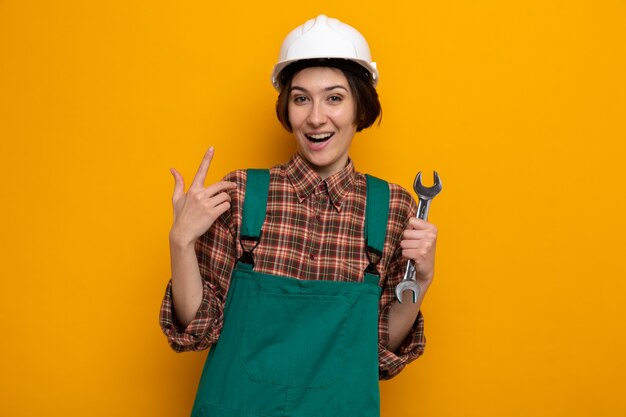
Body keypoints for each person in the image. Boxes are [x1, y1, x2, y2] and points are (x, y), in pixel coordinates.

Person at [159, 14, 438, 417]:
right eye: (301, 98)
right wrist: (180, 242)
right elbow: (197, 331)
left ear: (361, 106)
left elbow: (379, 355)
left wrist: (422, 280)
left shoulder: (392, 207)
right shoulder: (241, 193)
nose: (316, 117)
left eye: (334, 97)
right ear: (287, 108)